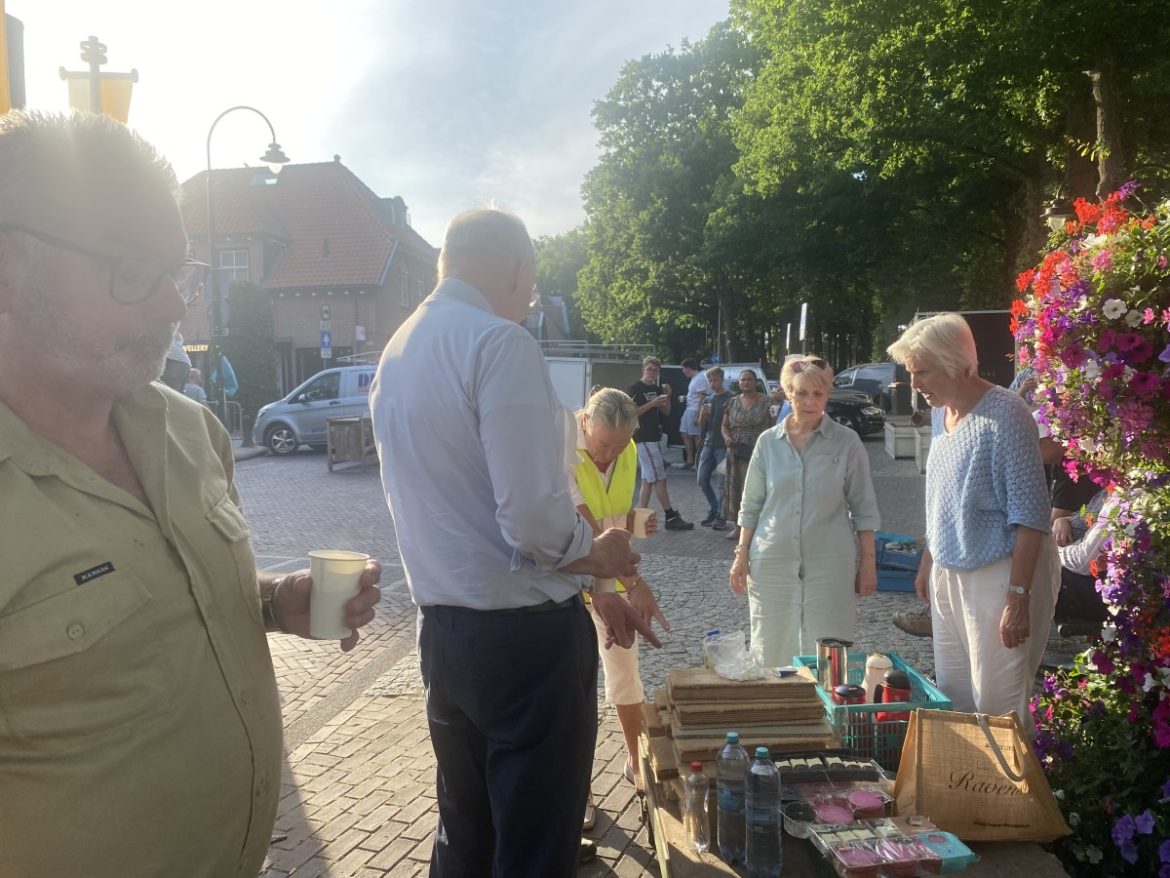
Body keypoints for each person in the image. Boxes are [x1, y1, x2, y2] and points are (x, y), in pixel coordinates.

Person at [0, 111, 382, 878]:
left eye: (179, 273)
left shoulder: (190, 428)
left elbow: (178, 596)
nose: (175, 309)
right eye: (130, 268)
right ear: (10, 265)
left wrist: (272, 600)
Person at [369, 208, 663, 877]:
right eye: (532, 281)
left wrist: (593, 583)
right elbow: (532, 520)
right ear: (517, 267)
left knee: (465, 832)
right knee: (534, 846)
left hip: (445, 633)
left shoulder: (398, 350)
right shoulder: (500, 343)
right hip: (526, 645)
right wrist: (604, 557)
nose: (531, 297)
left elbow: (459, 506)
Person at [888, 313, 1057, 724]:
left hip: (1001, 573)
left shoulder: (1007, 413)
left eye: (922, 371)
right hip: (950, 570)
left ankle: (1013, 770)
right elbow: (942, 497)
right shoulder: (941, 412)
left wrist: (1017, 598)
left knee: (999, 707)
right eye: (911, 372)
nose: (914, 383)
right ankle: (964, 769)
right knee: (954, 696)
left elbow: (1031, 515)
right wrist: (929, 561)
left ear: (956, 365)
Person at [728, 356, 880, 666]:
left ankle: (821, 699)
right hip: (772, 561)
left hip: (830, 564)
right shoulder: (768, 443)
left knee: (828, 651)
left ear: (828, 394)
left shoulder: (847, 442)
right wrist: (741, 553)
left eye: (818, 393)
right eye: (801, 393)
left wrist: (868, 562)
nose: (809, 402)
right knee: (771, 648)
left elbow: (863, 507)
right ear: (787, 392)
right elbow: (751, 504)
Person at [569, 387, 670, 829]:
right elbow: (584, 527)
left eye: (620, 445)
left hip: (609, 578)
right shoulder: (560, 445)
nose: (610, 454)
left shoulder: (626, 450)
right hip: (565, 586)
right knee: (572, 691)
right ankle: (578, 790)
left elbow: (611, 525)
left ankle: (636, 761)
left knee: (627, 672)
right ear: (584, 422)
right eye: (603, 444)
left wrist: (630, 523)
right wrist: (636, 584)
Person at [628, 356, 693, 530]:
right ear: (643, 370)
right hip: (643, 438)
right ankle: (670, 516)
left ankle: (639, 519)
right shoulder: (635, 388)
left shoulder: (656, 389)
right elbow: (632, 413)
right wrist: (652, 403)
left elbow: (666, 411)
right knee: (659, 478)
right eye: (649, 369)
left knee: (648, 480)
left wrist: (667, 397)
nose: (652, 373)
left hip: (653, 437)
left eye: (655, 370)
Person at [721, 368, 773, 541]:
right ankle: (738, 528)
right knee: (736, 489)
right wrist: (726, 437)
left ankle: (758, 528)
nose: (746, 382)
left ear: (755, 382)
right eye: (743, 379)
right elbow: (724, 425)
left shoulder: (767, 402)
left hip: (758, 449)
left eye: (749, 379)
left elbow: (773, 426)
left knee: (755, 488)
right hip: (736, 451)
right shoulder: (731, 402)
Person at [697, 366, 732, 530]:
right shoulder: (708, 399)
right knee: (702, 480)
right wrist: (702, 414)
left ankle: (721, 516)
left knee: (721, 483)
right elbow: (702, 426)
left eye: (715, 380)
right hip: (708, 445)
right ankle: (715, 509)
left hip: (723, 447)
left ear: (722, 379)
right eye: (709, 380)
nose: (712, 383)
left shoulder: (731, 398)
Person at [679, 357, 708, 470]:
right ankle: (689, 461)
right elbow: (695, 395)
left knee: (696, 436)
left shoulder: (700, 378)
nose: (682, 371)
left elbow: (702, 397)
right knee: (684, 433)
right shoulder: (694, 378)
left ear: (688, 368)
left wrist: (698, 415)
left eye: (683, 368)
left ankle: (699, 463)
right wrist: (686, 398)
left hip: (694, 410)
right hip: (689, 409)